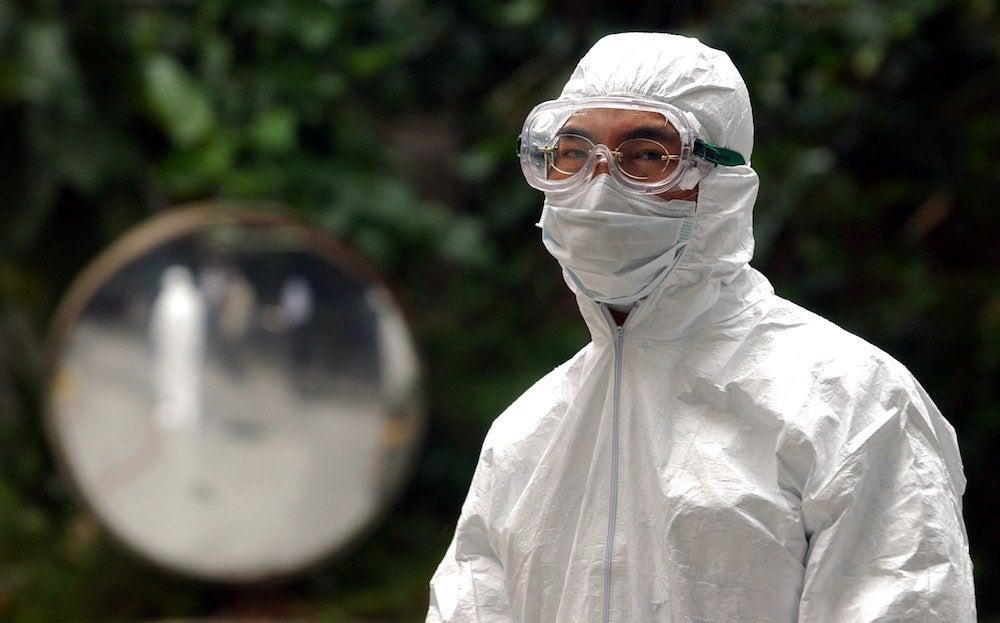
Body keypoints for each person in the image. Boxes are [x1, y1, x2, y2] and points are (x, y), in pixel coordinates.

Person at [426, 32, 976, 622]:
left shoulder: (850, 404)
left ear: (723, 187)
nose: (598, 188)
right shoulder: (525, 436)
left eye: (646, 156)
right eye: (573, 153)